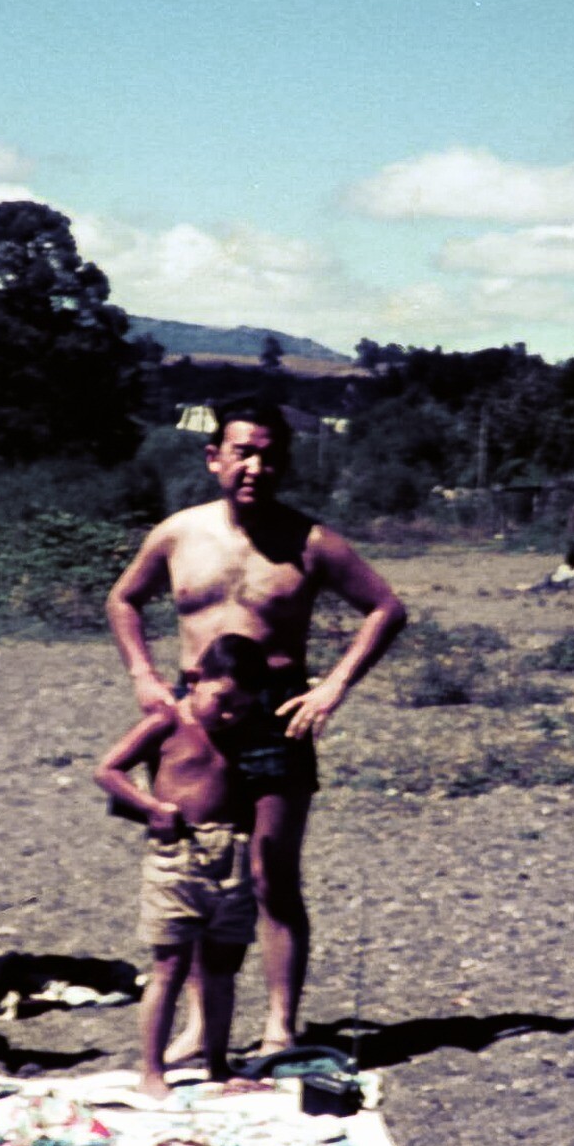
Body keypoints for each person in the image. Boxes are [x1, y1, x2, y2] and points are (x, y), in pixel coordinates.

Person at [105, 397, 408, 1060]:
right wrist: (142, 675)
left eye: (269, 453)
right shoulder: (178, 534)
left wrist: (333, 685)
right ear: (214, 458)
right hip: (195, 711)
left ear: (284, 462)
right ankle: (198, 1028)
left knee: (272, 873)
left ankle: (280, 1025)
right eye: (242, 451)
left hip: (276, 709)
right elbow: (123, 599)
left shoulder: (313, 542)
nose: (255, 465)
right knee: (195, 868)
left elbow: (385, 608)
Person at [94, 633, 269, 1100]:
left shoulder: (243, 730)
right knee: (168, 964)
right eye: (223, 701)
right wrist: (151, 807)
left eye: (243, 706)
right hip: (177, 856)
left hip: (230, 853)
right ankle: (151, 1071)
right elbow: (108, 770)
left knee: (223, 966)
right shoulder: (166, 722)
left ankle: (216, 1062)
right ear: (194, 680)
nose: (230, 714)